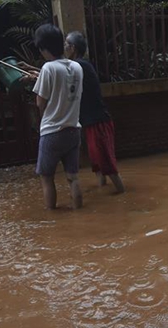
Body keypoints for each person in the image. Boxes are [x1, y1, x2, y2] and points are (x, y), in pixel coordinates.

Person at [30, 24, 84, 209]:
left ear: (44, 48)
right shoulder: (77, 67)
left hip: (52, 132)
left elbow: (40, 102)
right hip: (74, 130)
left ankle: (52, 219)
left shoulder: (48, 68)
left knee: (47, 178)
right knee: (73, 177)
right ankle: (80, 212)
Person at [65, 31, 125, 193]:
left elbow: (58, 77)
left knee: (107, 165)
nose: (64, 48)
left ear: (72, 48)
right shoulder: (79, 66)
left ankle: (122, 195)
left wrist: (38, 75)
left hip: (98, 122)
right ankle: (104, 192)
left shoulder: (79, 66)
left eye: (66, 45)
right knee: (97, 164)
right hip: (92, 122)